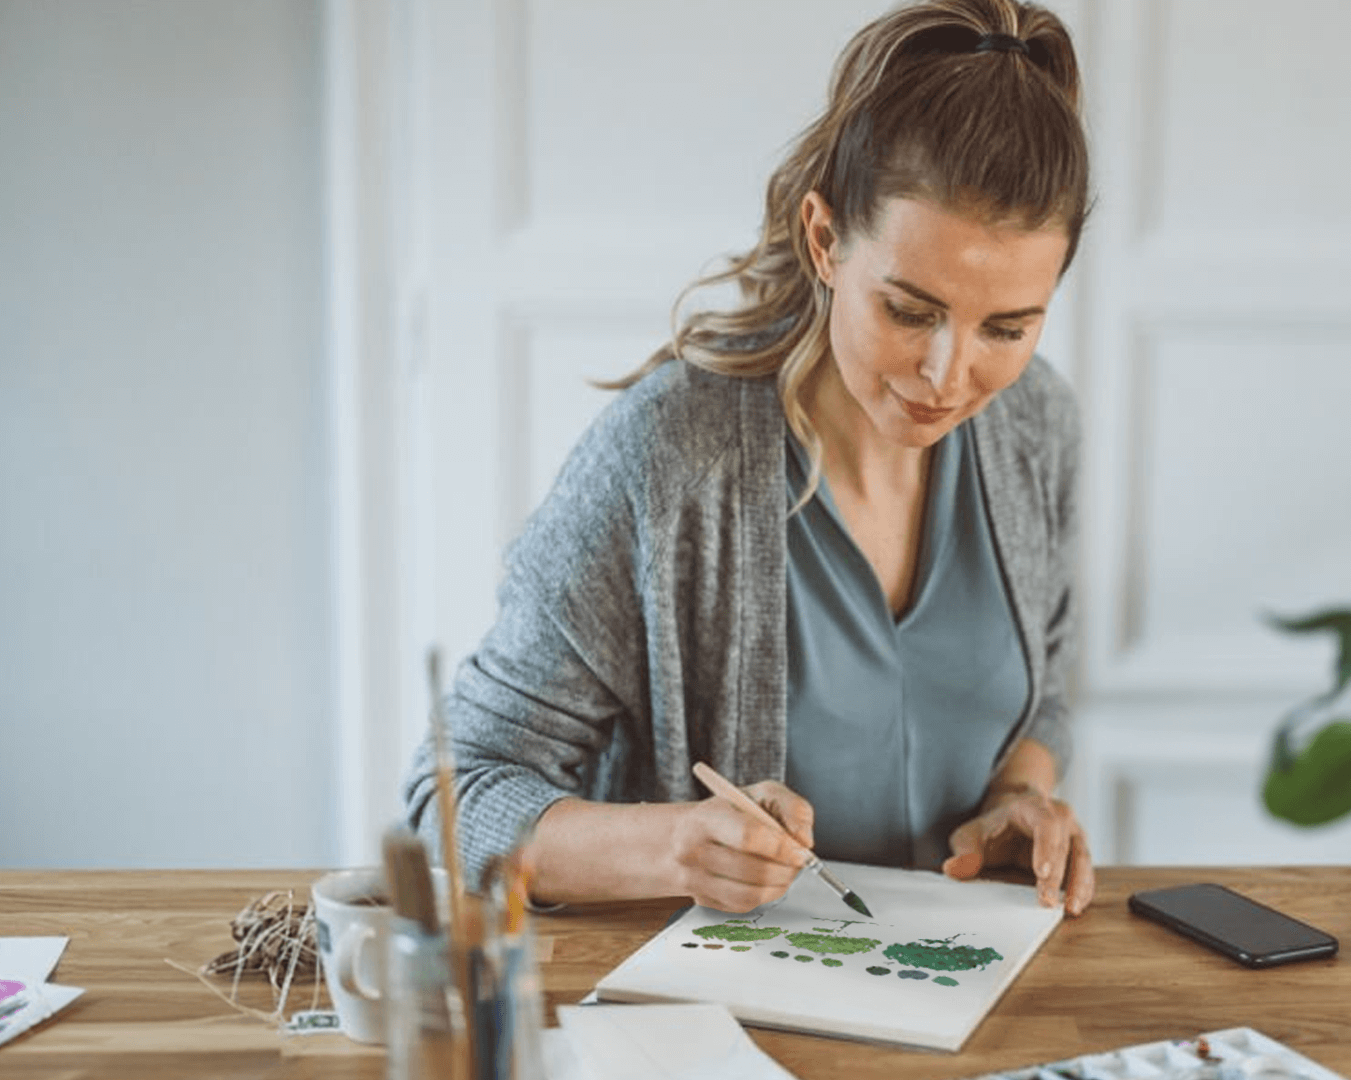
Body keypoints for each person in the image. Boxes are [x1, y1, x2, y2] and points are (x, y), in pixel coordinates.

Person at [404, 0, 1095, 918]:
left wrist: (1018, 801)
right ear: (824, 239)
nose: (949, 375)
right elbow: (453, 795)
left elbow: (1039, 694)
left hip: (952, 1005)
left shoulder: (1037, 426)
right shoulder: (667, 457)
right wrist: (675, 850)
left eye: (1007, 327)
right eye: (910, 310)